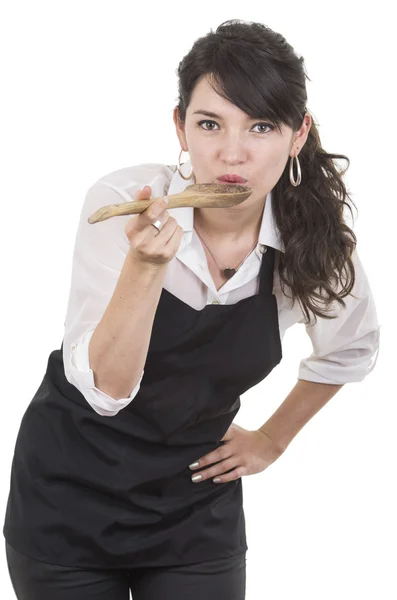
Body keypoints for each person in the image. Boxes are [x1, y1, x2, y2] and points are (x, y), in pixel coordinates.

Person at [3, 18, 380, 600]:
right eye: (210, 124)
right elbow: (104, 388)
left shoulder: (317, 245)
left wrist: (272, 440)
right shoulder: (124, 206)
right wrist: (145, 268)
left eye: (261, 126)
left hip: (193, 509)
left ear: (298, 134)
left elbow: (351, 348)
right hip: (66, 499)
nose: (233, 153)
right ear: (180, 127)